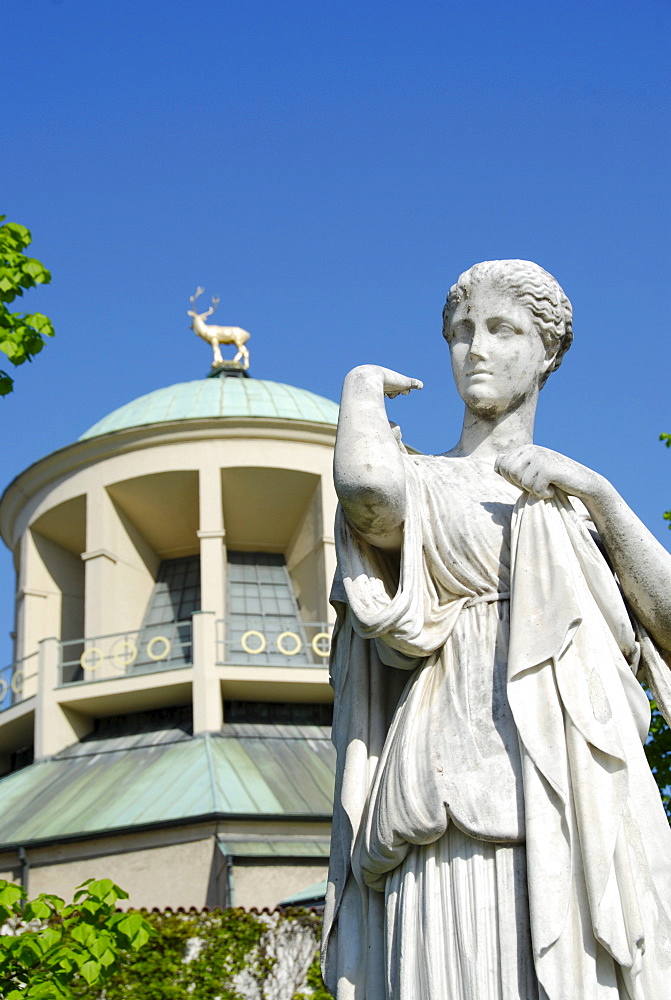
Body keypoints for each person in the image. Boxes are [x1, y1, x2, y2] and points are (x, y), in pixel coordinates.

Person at [322, 260, 671, 1000]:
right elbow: (368, 496)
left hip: (580, 792)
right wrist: (357, 392)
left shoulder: (575, 506)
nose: (474, 349)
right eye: (460, 333)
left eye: (500, 330)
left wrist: (601, 496)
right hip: (451, 788)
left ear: (546, 353)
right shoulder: (423, 480)